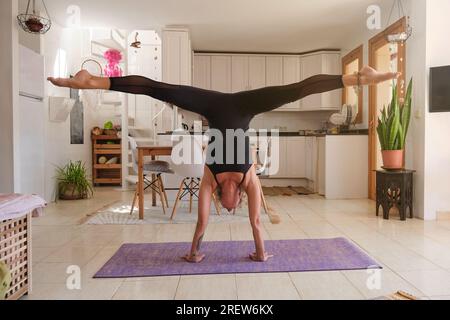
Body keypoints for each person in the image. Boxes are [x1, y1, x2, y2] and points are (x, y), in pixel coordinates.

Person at [48, 66, 400, 263]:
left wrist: (193, 253)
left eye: (225, 208)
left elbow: (202, 222)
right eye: (235, 208)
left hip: (214, 107)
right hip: (245, 106)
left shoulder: (210, 180)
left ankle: (93, 82)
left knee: (160, 89)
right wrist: (260, 255)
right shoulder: (249, 180)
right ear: (239, 200)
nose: (229, 207)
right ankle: (93, 80)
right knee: (294, 89)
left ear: (221, 200)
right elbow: (258, 225)